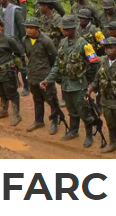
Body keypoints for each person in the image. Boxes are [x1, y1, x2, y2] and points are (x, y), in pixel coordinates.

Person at [42, 15, 99, 146]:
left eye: (66, 29)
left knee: (83, 111)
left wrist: (88, 80)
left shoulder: (84, 44)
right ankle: (73, 131)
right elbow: (57, 64)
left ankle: (89, 136)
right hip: (66, 84)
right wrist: (48, 79)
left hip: (79, 85)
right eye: (63, 29)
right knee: (71, 110)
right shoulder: (62, 43)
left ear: (73, 29)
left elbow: (94, 63)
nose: (64, 31)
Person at [0, 16, 24, 125]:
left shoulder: (8, 39)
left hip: (7, 71)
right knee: (1, 92)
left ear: (1, 26)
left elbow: (18, 52)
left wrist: (15, 65)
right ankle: (3, 111)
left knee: (11, 92)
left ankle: (16, 114)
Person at [22, 17, 59, 133]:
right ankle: (38, 120)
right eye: (27, 27)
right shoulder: (25, 40)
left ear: (37, 28)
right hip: (32, 75)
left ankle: (55, 122)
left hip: (45, 76)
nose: (28, 30)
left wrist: (50, 75)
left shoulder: (46, 41)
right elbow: (28, 56)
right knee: (37, 99)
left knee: (51, 100)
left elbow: (53, 58)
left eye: (31, 28)